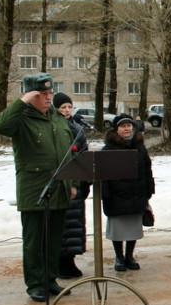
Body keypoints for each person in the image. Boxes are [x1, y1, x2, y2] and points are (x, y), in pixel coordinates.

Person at [0, 73, 76, 302]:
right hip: (35, 190)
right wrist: (21, 102)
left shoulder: (57, 118)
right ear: (31, 96)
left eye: (50, 93)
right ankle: (36, 285)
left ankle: (50, 280)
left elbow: (68, 152)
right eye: (43, 94)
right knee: (34, 242)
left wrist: (72, 182)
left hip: (59, 188)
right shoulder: (21, 118)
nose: (49, 98)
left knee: (54, 240)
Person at [102, 114, 155, 272]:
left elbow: (147, 169)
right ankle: (119, 257)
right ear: (116, 129)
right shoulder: (108, 149)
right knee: (118, 229)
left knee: (133, 227)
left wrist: (148, 189)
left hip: (136, 193)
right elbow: (103, 174)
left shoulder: (139, 147)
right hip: (116, 195)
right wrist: (105, 194)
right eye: (123, 126)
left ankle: (129, 256)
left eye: (129, 126)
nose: (127, 129)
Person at [52, 92, 91, 279]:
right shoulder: (53, 128)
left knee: (75, 224)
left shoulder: (78, 129)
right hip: (61, 183)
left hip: (78, 183)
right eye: (62, 108)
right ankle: (60, 262)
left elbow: (84, 156)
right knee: (63, 225)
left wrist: (86, 181)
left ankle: (71, 260)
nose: (67, 111)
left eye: (69, 107)